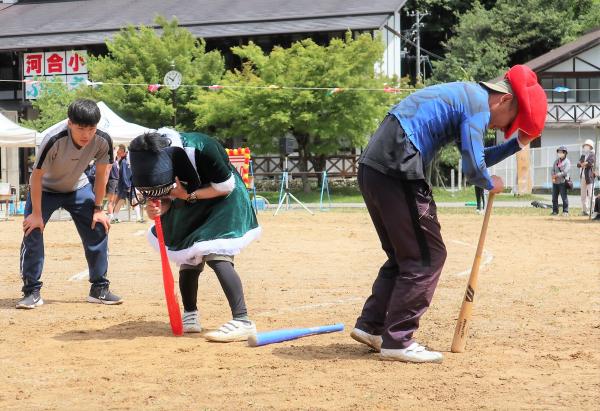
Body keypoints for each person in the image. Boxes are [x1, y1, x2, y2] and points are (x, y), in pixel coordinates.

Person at [350, 65, 547, 363]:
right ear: (504, 100)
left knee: (404, 256)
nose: (497, 129)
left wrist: (516, 144)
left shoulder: (464, 95)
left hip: (374, 167)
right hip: (397, 165)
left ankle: (371, 327)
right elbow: (473, 167)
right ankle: (399, 341)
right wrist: (486, 181)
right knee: (426, 256)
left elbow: (476, 155)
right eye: (506, 123)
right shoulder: (478, 105)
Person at [129, 128, 261, 342]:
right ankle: (190, 314)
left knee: (216, 253)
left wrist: (187, 195)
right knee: (189, 258)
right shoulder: (149, 159)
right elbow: (165, 198)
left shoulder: (203, 147)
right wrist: (157, 209)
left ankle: (242, 320)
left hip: (223, 200)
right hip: (188, 198)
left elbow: (225, 187)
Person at [18, 99, 122, 308]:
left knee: (98, 225)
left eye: (91, 128)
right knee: (33, 229)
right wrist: (36, 214)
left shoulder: (102, 140)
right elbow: (35, 177)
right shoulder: (53, 138)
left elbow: (102, 174)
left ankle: (99, 288)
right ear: (70, 123)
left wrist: (98, 209)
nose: (86, 134)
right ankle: (32, 292)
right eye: (81, 128)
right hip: (45, 189)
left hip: (78, 187)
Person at [577, 139, 596, 216]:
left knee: (591, 194)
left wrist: (584, 163)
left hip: (589, 177)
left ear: (590, 146)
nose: (585, 147)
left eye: (587, 145)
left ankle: (593, 210)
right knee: (583, 195)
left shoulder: (592, 154)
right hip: (583, 177)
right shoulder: (583, 155)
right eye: (585, 145)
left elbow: (591, 163)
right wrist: (582, 164)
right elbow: (578, 164)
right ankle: (584, 210)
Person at [551, 145, 570, 217]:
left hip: (563, 182)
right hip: (555, 182)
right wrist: (553, 176)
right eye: (558, 152)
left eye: (561, 152)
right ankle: (555, 211)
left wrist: (557, 175)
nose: (559, 153)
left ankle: (565, 211)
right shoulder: (556, 161)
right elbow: (552, 169)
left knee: (564, 197)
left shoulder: (567, 162)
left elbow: (565, 172)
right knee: (554, 197)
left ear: (565, 153)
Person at [106, 150, 120, 222]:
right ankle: (110, 217)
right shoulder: (110, 162)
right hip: (111, 181)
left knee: (114, 201)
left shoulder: (117, 162)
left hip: (116, 181)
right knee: (110, 201)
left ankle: (112, 217)